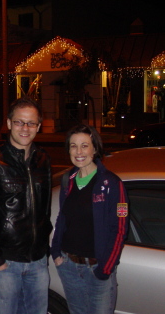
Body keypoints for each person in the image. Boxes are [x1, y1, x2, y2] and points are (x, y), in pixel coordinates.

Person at [0, 96, 52, 314]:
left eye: (31, 123)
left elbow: (45, 208)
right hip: (7, 262)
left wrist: (45, 247)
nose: (25, 128)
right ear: (9, 124)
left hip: (38, 260)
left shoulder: (43, 159)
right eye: (19, 122)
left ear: (38, 126)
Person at [51, 124, 129, 314]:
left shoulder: (111, 183)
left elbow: (120, 228)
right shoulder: (68, 180)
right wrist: (56, 253)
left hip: (97, 270)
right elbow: (62, 217)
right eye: (73, 146)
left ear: (95, 148)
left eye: (84, 145)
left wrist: (105, 268)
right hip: (68, 266)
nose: (78, 152)